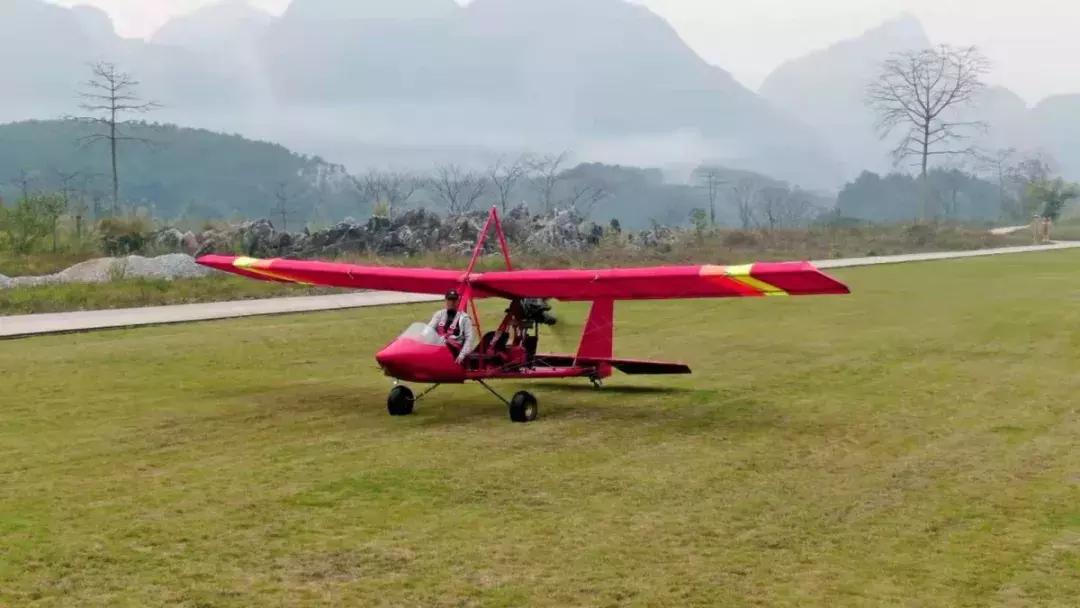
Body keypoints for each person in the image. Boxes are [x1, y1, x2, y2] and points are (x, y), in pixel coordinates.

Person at [427, 289, 476, 365]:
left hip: (455, 352)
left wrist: (462, 355)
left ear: (458, 301)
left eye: (454, 300)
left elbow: (469, 338)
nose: (452, 302)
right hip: (439, 348)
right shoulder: (439, 315)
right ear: (446, 300)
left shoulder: (465, 318)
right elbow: (429, 330)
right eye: (449, 300)